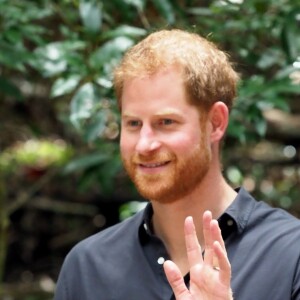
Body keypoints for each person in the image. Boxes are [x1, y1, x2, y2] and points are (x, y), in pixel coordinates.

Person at [54, 29, 300, 300]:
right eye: (134, 124)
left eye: (166, 122)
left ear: (215, 123)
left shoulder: (290, 254)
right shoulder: (87, 267)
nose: (144, 145)